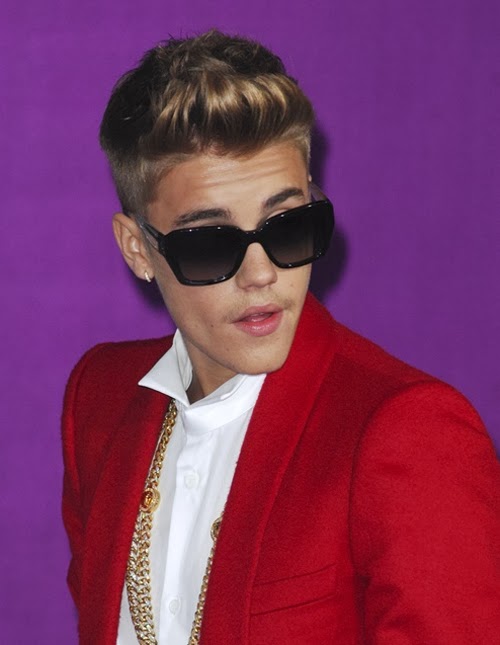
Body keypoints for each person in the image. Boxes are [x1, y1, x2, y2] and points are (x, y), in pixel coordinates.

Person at [62, 29, 499, 645]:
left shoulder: (406, 430)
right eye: (211, 243)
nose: (262, 273)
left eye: (287, 226)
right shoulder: (99, 399)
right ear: (138, 249)